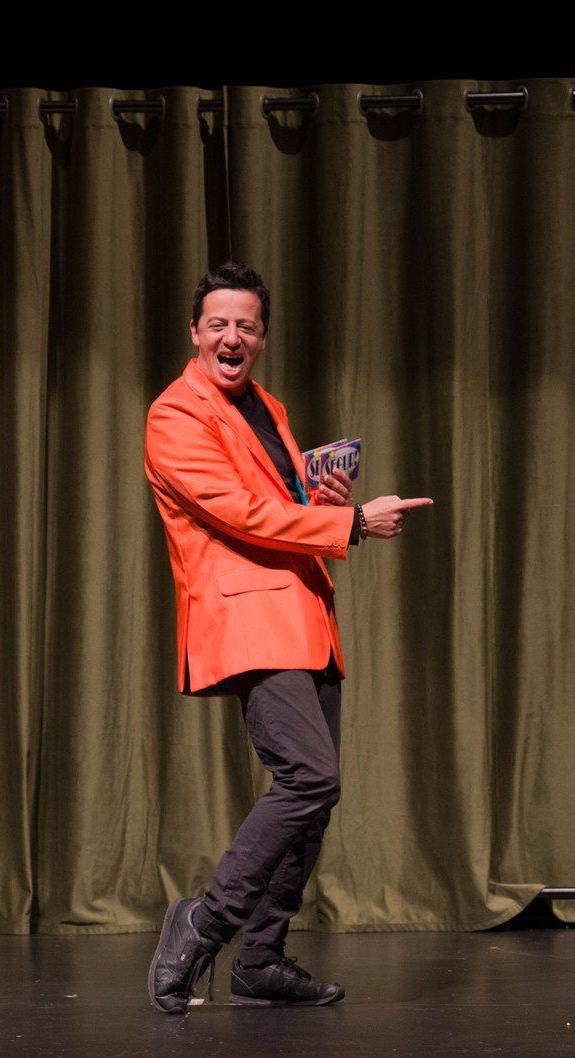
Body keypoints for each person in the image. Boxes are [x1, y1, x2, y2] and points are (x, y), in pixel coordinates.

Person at [143, 262, 433, 1014]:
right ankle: (202, 927)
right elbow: (238, 512)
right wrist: (353, 522)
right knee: (310, 778)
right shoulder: (175, 415)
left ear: (261, 337)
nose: (232, 337)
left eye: (246, 325)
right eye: (218, 324)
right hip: (249, 618)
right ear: (195, 333)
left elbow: (275, 497)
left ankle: (261, 959)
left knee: (315, 796)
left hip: (303, 610)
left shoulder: (264, 406)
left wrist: (320, 490)